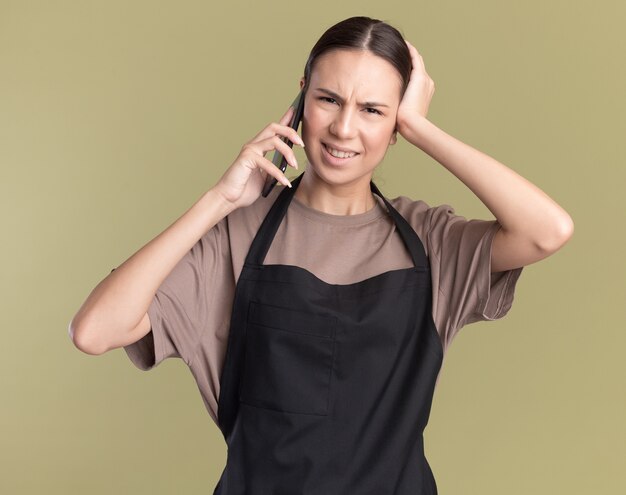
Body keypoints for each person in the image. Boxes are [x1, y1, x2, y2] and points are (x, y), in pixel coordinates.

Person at [69, 16, 573, 494]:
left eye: (373, 110)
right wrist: (219, 201)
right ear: (300, 99)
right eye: (328, 99)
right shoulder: (233, 239)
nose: (343, 129)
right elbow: (94, 331)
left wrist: (420, 128)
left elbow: (548, 230)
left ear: (395, 124)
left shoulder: (431, 241)